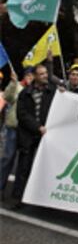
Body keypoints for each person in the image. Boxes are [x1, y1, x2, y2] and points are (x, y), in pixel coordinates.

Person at [11, 63, 56, 208]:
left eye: (45, 73)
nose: (45, 76)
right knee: (24, 167)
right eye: (41, 74)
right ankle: (19, 198)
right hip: (29, 135)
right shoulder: (25, 93)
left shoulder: (52, 91)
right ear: (35, 76)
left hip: (46, 136)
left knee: (46, 167)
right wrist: (37, 127)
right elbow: (22, 115)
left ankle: (42, 200)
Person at [0, 68, 33, 199]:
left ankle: (17, 192)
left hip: (27, 130)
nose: (30, 78)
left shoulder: (36, 90)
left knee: (23, 162)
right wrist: (13, 83)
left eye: (32, 75)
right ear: (25, 76)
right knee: (8, 158)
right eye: (28, 75)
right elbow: (7, 97)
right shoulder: (17, 86)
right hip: (13, 127)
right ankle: (0, 187)